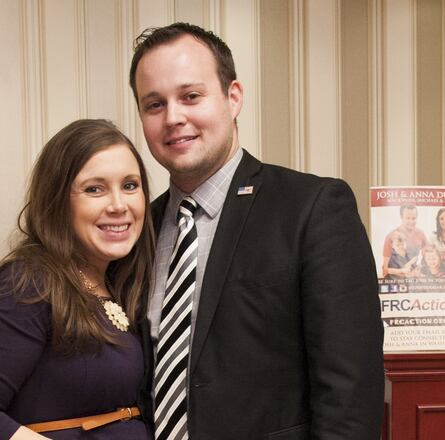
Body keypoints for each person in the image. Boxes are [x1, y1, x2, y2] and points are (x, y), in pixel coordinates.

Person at [130, 22, 384, 439]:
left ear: (233, 98)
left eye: (191, 96)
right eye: (154, 104)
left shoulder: (312, 208)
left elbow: (350, 392)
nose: (174, 117)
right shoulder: (140, 230)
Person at [0, 119, 154, 439]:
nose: (118, 205)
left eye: (130, 185)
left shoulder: (118, 282)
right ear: (58, 201)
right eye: (94, 188)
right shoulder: (28, 282)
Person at [381, 204, 428, 277]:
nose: (411, 221)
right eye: (408, 218)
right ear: (401, 217)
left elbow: (427, 257)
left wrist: (418, 269)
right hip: (395, 280)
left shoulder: (421, 234)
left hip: (413, 280)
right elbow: (385, 269)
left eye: (414, 218)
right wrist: (402, 271)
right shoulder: (390, 236)